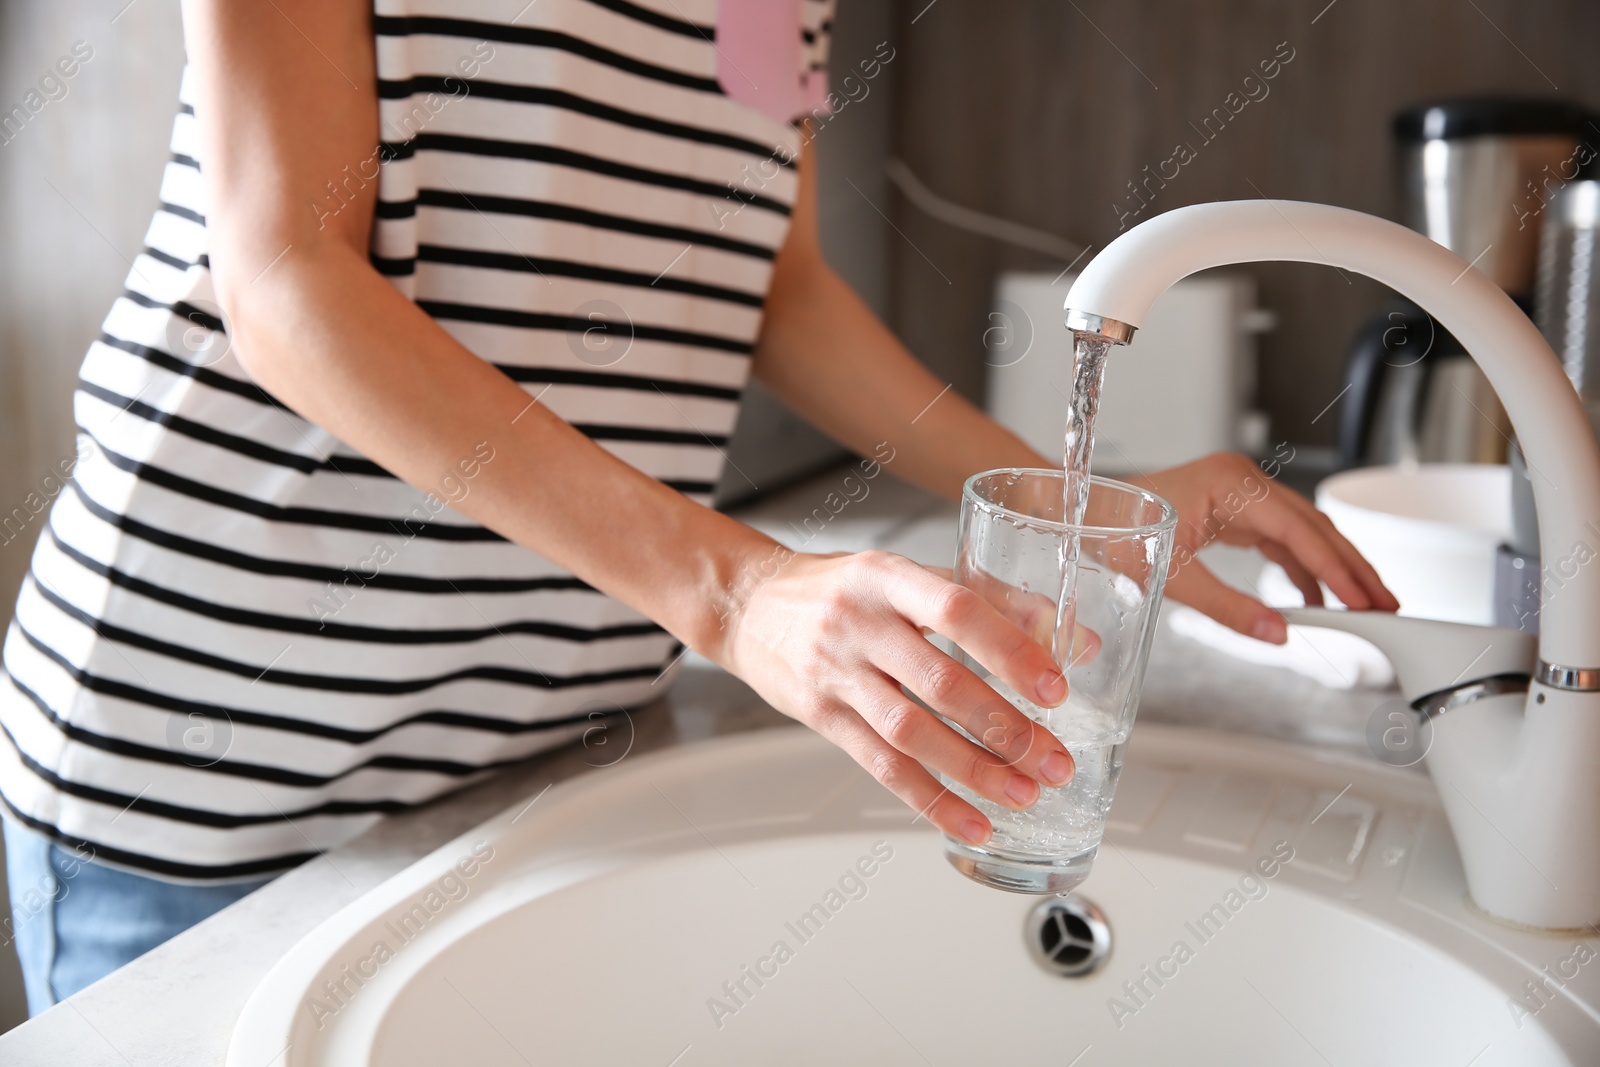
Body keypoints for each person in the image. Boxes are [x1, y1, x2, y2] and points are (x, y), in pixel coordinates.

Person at [0, 0, 1396, 1014]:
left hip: (528, 757)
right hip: (218, 758)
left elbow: (777, 293)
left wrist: (1071, 498)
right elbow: (289, 279)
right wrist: (734, 590)